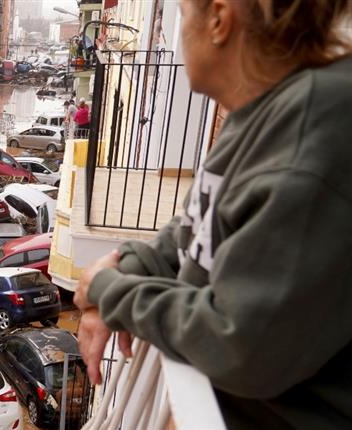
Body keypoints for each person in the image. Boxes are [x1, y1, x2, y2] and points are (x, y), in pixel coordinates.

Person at [74, 0, 351, 428]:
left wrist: (111, 291)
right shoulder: (262, 108)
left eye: (184, 13)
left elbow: (242, 347)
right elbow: (197, 226)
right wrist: (127, 267)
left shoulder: (313, 133)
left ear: (219, 20)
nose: (176, 33)